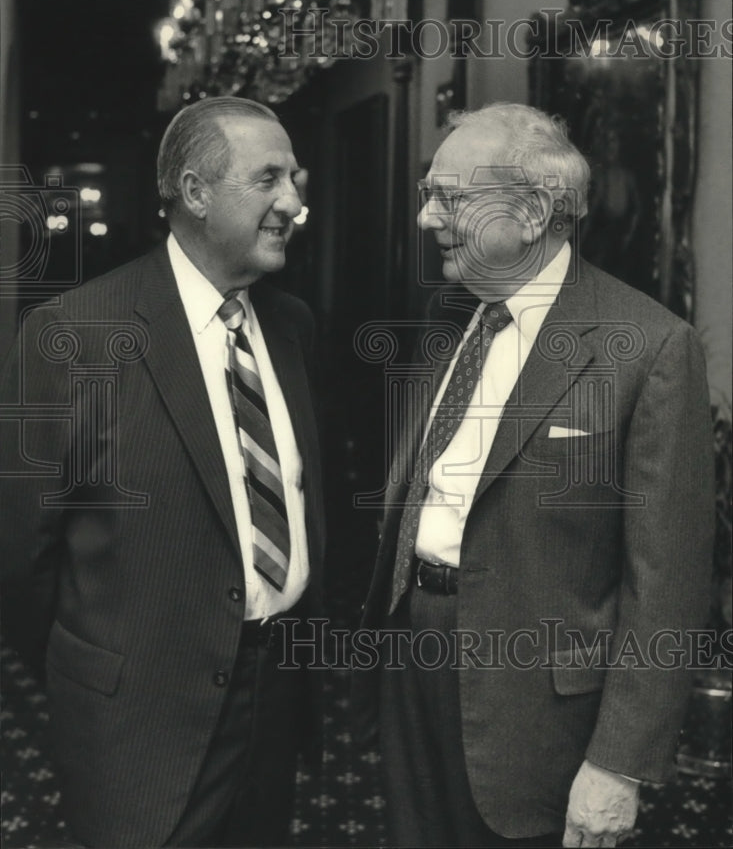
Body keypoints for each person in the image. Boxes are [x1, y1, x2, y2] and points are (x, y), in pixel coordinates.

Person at [353, 103, 714, 848]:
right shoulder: (447, 317)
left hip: (539, 712)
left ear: (533, 210)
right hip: (414, 656)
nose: (426, 217)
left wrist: (619, 763)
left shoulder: (646, 348)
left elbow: (668, 584)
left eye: (449, 197)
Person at [0, 97, 325, 848]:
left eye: (296, 178)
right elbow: (21, 556)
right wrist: (105, 662)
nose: (293, 201)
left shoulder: (293, 326)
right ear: (196, 191)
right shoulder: (75, 335)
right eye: (269, 178)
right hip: (139, 719)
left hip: (275, 692)